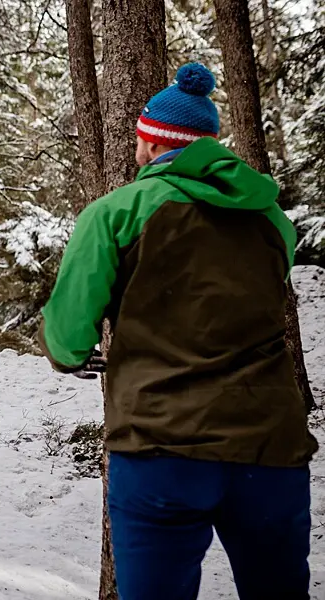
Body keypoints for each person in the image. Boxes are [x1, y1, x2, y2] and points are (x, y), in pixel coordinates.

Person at [37, 62, 318, 600]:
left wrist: (68, 354)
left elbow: (69, 330)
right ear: (211, 146)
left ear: (149, 145)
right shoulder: (273, 219)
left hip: (159, 446)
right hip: (269, 446)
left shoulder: (115, 212)